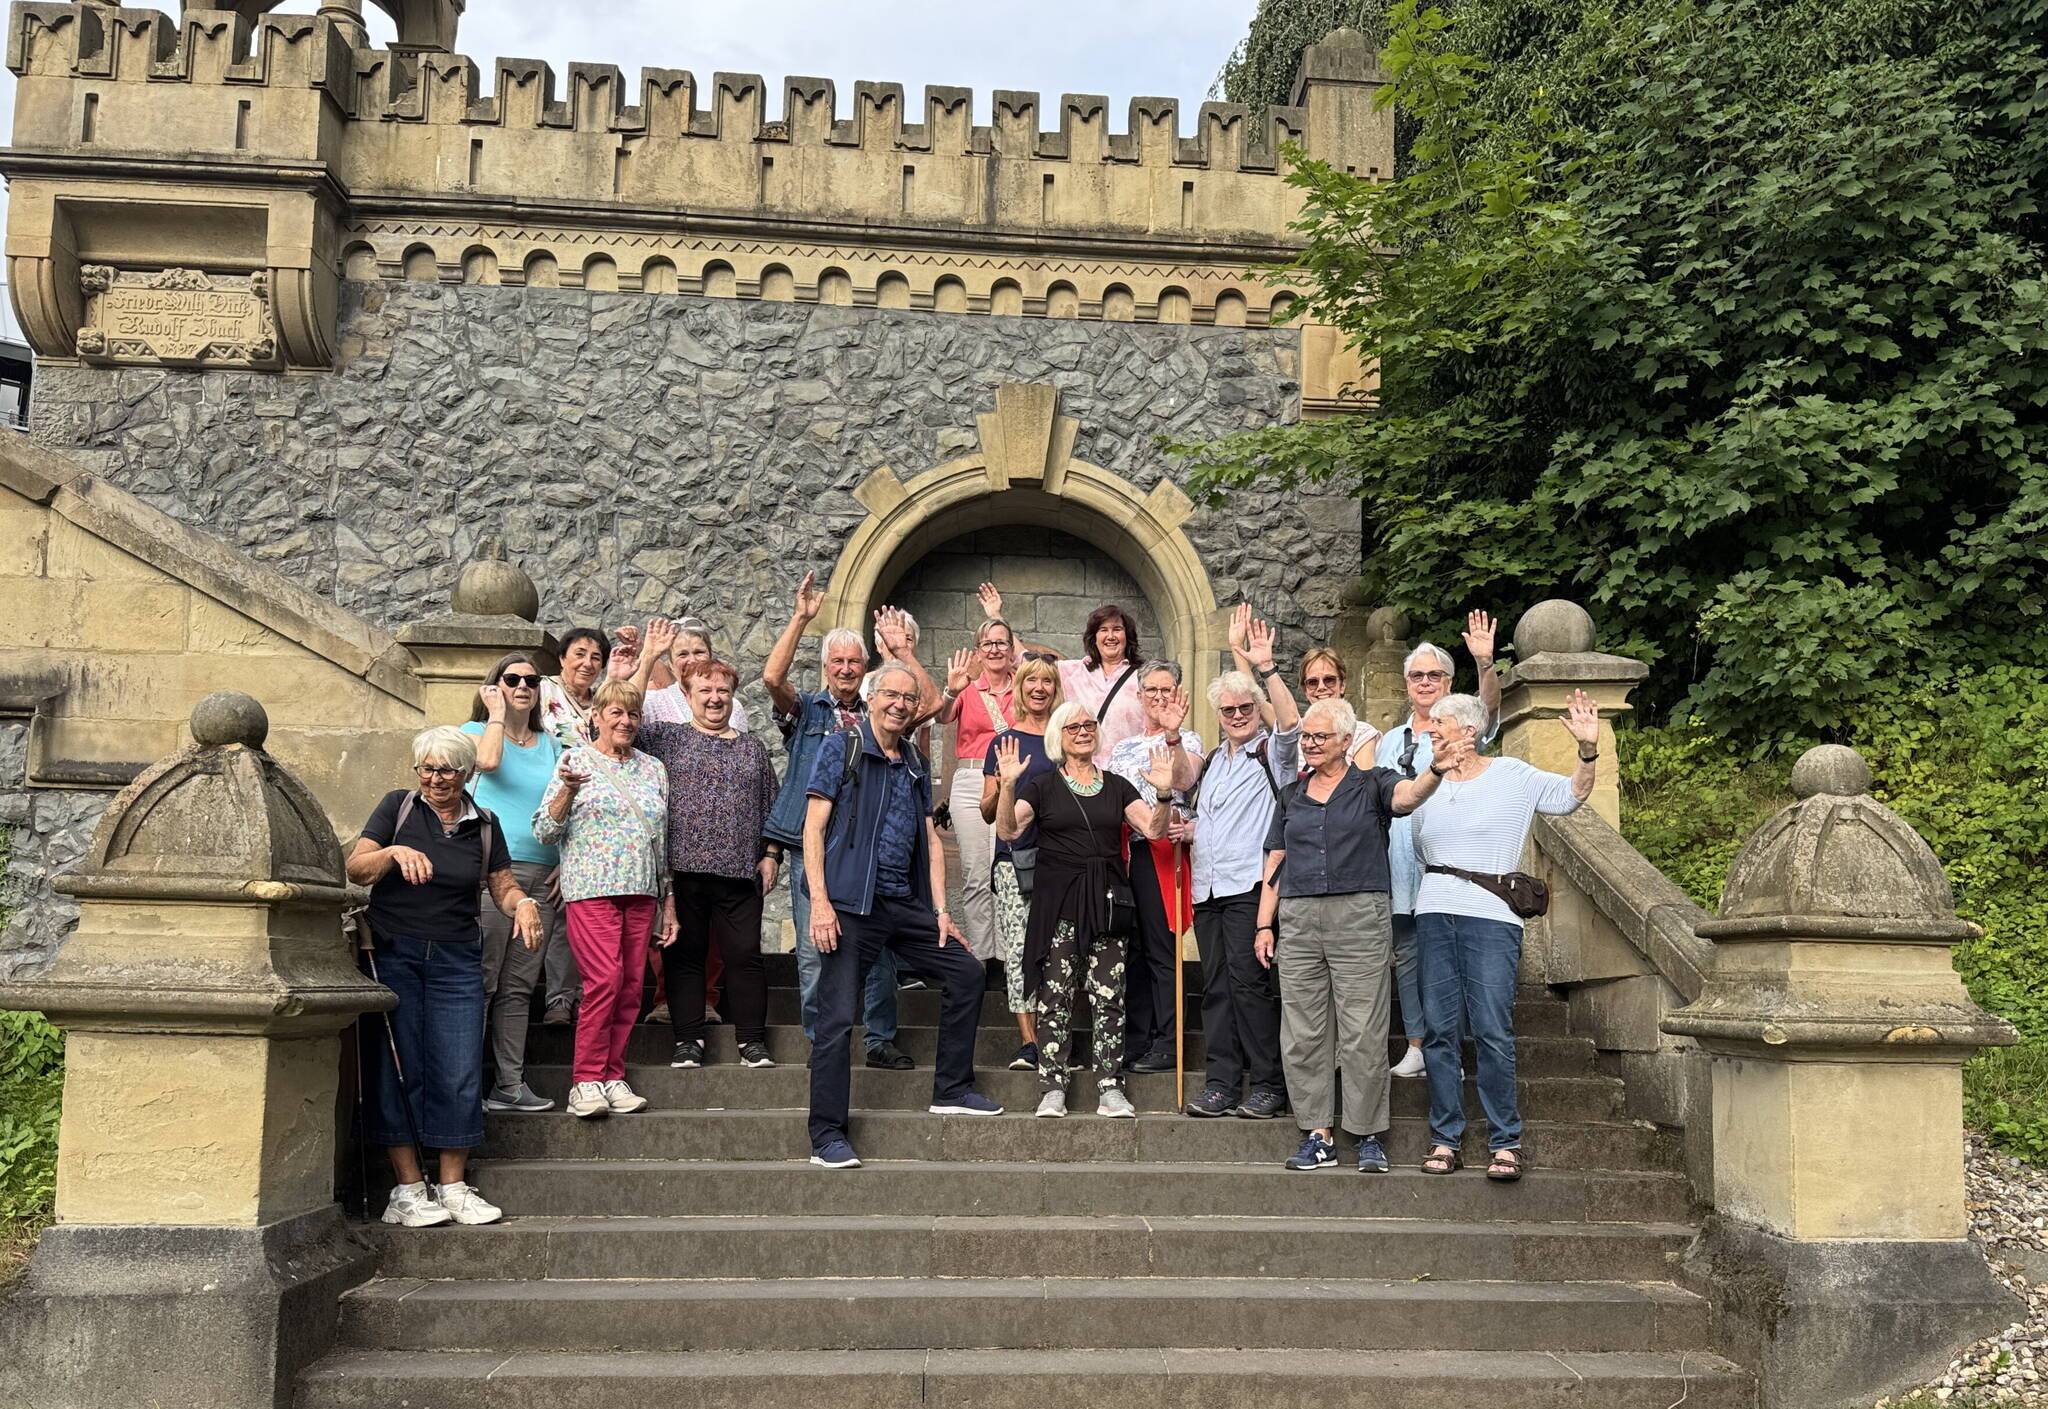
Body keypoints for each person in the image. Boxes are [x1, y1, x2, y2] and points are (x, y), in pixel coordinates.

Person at [804, 662, 1003, 1168]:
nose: (898, 703)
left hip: (903, 905)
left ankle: (952, 1089)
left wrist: (940, 911)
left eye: (907, 698)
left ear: (916, 708)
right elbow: (813, 829)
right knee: (838, 1019)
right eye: (889, 694)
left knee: (966, 970)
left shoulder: (914, 761)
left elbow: (931, 840)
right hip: (852, 905)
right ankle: (827, 1134)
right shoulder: (842, 748)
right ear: (871, 698)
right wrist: (820, 903)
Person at [1255, 697, 1465, 1173]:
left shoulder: (1372, 783)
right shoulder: (1291, 794)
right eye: (1306, 736)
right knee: (1303, 1032)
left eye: (1319, 737)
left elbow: (1408, 798)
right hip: (1300, 917)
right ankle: (1317, 1134)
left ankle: (1367, 1133)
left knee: (1362, 1030)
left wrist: (1435, 769)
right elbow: (1274, 862)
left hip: (1360, 916)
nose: (1309, 744)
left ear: (1347, 741)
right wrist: (1264, 923)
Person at [345, 726, 542, 1228]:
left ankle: (453, 1185)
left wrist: (522, 904)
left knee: (459, 1067)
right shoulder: (398, 807)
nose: (436, 779)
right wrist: (392, 853)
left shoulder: (485, 824)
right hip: (394, 952)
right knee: (399, 1063)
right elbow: (356, 868)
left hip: (457, 957)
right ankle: (408, 1189)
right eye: (427, 769)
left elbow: (501, 883)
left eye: (447, 770)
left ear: (467, 773)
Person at [1413, 690, 1598, 1182]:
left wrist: (1587, 750)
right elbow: (1418, 849)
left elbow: (1571, 796)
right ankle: (1445, 1137)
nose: (1430, 729)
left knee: (1492, 1029)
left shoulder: (1513, 776)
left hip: (1491, 918)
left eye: (1440, 724)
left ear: (1469, 731)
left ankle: (1505, 1141)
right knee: (1439, 1030)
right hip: (1433, 913)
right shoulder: (1425, 784)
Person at [994, 703, 1176, 1119]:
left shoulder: (1117, 785)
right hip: (1059, 903)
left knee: (1109, 996)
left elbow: (1153, 828)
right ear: (1059, 736)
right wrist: (1007, 786)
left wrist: (1163, 794)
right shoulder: (1042, 785)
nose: (1082, 731)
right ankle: (1052, 1086)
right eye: (1073, 726)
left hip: (1108, 904)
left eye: (1089, 725)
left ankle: (1110, 1086)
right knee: (1054, 996)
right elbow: (1008, 830)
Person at [762, 573, 910, 1070]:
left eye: (854, 662)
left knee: (881, 951)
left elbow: (928, 704)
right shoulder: (808, 710)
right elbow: (771, 680)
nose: (846, 669)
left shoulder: (883, 708)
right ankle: (822, 1041)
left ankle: (879, 1040)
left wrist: (898, 655)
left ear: (865, 668)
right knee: (812, 951)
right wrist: (801, 618)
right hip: (814, 845)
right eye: (837, 662)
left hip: (871, 848)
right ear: (825, 668)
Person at [532, 679, 677, 1120]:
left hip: (641, 891)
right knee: (604, 981)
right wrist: (568, 791)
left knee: (632, 986)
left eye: (632, 714)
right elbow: (543, 829)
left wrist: (667, 901)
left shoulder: (654, 768)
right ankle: (585, 1080)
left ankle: (613, 1074)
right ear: (595, 716)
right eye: (615, 712)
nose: (625, 721)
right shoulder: (574, 761)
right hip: (592, 890)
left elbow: (662, 841)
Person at [635, 654, 780, 1071]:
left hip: (739, 875)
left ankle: (752, 1042)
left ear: (733, 698)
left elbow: (772, 806)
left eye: (723, 691)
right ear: (688, 695)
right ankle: (688, 1041)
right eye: (705, 690)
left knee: (745, 957)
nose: (715, 699)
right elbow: (618, 720)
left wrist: (770, 855)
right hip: (683, 873)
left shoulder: (752, 748)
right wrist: (644, 662)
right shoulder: (667, 738)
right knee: (685, 958)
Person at [1373, 611, 1501, 1080]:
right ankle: (1416, 1045)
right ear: (1407, 684)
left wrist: (1485, 665)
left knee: (1452, 959)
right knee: (1407, 958)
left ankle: (1453, 1048)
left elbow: (1486, 712)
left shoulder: (1461, 730)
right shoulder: (1389, 740)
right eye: (1416, 675)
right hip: (1397, 866)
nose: (1425, 682)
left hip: (1447, 866)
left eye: (1434, 675)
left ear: (1448, 682)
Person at [1182, 613, 1300, 1119]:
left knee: (1251, 987)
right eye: (1228, 708)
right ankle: (1222, 1083)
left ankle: (1269, 1083)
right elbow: (1208, 820)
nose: (1236, 714)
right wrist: (1189, 831)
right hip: (1207, 889)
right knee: (1216, 989)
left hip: (1250, 887)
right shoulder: (1211, 761)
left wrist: (1265, 668)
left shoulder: (1272, 753)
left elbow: (1292, 724)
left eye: (1245, 706)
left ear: (1257, 708)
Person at [460, 654, 564, 1115]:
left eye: (531, 680)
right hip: (492, 875)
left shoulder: (552, 743)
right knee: (483, 980)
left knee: (519, 986)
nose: (523, 685)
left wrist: (566, 860)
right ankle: (464, 1087)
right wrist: (496, 715)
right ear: (494, 686)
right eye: (512, 679)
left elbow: (567, 804)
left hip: (542, 877)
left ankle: (508, 1084)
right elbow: (485, 761)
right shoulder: (476, 731)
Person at [1104, 661, 1201, 1074]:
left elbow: (1183, 778)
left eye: (1167, 689)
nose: (1159, 697)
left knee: (1162, 948)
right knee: (1135, 949)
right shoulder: (1122, 747)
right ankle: (1137, 1036)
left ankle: (1168, 1038)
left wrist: (1173, 734)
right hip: (1127, 851)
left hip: (1164, 850)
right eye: (1152, 690)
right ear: (1139, 696)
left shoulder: (1187, 739)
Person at [978, 654, 1061, 1068]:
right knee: (1020, 950)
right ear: (1021, 688)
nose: (1039, 688)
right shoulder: (1004, 742)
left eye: (1047, 681)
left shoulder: (1065, 738)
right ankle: (1030, 1042)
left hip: (1062, 862)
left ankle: (1054, 1040)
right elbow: (987, 812)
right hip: (1015, 861)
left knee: (1059, 952)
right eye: (1032, 681)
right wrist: (1006, 784)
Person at [979, 583, 1147, 760]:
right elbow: (1024, 661)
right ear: (1094, 638)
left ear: (1127, 636)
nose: (1110, 636)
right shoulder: (1074, 672)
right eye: (1103, 630)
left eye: (1117, 630)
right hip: (1081, 774)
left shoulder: (1143, 679)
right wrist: (996, 616)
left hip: (1125, 777)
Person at [935, 617, 1018, 967]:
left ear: (1013, 650)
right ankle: (983, 957)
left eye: (1002, 643)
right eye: (988, 644)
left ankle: (1008, 952)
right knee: (974, 871)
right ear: (979, 652)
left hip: (1011, 781)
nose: (995, 649)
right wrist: (952, 689)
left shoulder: (1025, 686)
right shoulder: (967, 688)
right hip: (970, 781)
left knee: (1008, 869)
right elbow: (941, 717)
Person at [636, 616, 753, 733]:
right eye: (682, 654)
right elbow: (627, 707)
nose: (692, 660)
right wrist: (648, 657)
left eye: (699, 652)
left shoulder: (732, 706)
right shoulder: (655, 703)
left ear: (710, 656)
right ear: (671, 664)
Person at [1299, 646, 1381, 766]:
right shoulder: (1295, 735)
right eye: (1313, 682)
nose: (1321, 687)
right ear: (1305, 690)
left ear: (1342, 685)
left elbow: (1364, 781)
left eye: (1329, 680)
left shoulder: (1362, 733)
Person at [539, 626, 608, 750]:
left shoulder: (601, 702)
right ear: (562, 659)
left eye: (595, 658)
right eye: (580, 654)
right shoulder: (541, 688)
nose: (587, 664)